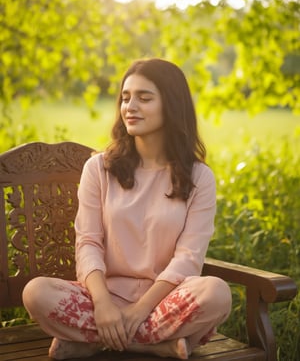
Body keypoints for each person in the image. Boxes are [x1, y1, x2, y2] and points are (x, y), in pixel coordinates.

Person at [22, 58, 232, 360]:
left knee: (217, 294)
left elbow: (188, 258)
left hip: (162, 300)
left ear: (171, 105)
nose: (130, 106)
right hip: (99, 300)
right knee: (36, 292)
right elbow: (88, 243)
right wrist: (104, 304)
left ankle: (91, 342)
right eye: (125, 97)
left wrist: (139, 310)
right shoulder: (98, 168)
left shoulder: (199, 177)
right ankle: (160, 346)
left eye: (144, 98)